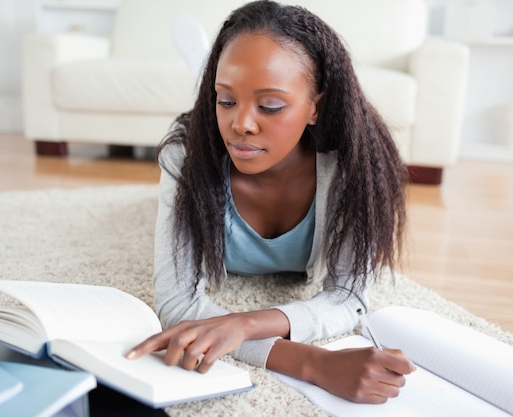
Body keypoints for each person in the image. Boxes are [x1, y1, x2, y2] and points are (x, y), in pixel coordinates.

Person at [126, 0, 415, 404]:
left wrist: (245, 323)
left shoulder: (354, 170)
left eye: (270, 106)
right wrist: (310, 362)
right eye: (225, 100)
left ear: (315, 106)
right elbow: (176, 303)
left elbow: (348, 299)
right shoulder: (184, 158)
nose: (241, 124)